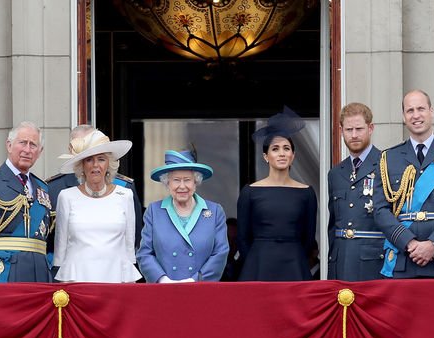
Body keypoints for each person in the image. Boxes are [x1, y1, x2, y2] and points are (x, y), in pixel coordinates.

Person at [373, 90, 434, 278]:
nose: (416, 115)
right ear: (404, 117)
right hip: (403, 259)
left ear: (431, 111)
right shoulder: (388, 158)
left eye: (421, 108)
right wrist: (409, 244)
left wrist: (433, 244)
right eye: (410, 110)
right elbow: (380, 211)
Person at [0, 121, 53, 283]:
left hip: (40, 277)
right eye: (22, 143)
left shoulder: (43, 188)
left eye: (33, 145)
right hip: (2, 275)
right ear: (9, 145)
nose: (27, 150)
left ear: (40, 152)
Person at [237, 106, 317, 281]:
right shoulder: (250, 192)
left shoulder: (307, 193)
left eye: (286, 148)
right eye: (275, 149)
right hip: (258, 266)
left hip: (295, 266)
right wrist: (256, 258)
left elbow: (308, 239)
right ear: (266, 156)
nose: (281, 153)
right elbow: (242, 239)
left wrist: (294, 253)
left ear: (293, 155)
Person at [53, 129, 142, 282]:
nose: (95, 165)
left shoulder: (125, 195)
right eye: (89, 160)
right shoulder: (66, 196)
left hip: (116, 279)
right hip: (77, 280)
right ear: (81, 166)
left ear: (109, 163)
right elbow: (60, 252)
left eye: (101, 159)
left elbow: (129, 251)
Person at [137, 150, 229, 282]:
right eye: (176, 180)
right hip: (164, 290)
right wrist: (162, 280)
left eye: (187, 180)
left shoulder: (214, 212)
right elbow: (144, 253)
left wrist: (195, 280)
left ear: (195, 183)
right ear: (167, 183)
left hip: (201, 290)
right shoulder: (154, 211)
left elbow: (220, 253)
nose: (182, 186)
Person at [327, 102, 385, 281]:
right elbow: (333, 225)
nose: (354, 135)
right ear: (341, 130)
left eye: (359, 129)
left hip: (374, 263)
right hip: (340, 262)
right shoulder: (336, 173)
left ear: (370, 128)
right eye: (348, 129)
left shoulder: (387, 165)